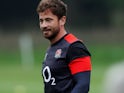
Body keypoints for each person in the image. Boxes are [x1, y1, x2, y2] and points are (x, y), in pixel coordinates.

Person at [36, 0, 92, 93]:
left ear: (62, 20)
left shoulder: (74, 47)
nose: (44, 25)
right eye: (41, 21)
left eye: (48, 20)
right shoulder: (51, 48)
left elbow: (83, 86)